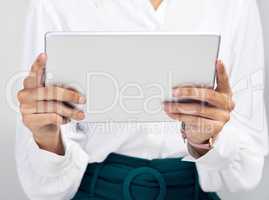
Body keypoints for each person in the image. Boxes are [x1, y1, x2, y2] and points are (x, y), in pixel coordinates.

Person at [16, 0, 268, 199]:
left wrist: (207, 140)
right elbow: (40, 186)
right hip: (94, 192)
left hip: (191, 193)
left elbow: (247, 169)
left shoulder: (236, 4)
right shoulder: (53, 4)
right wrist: (46, 139)